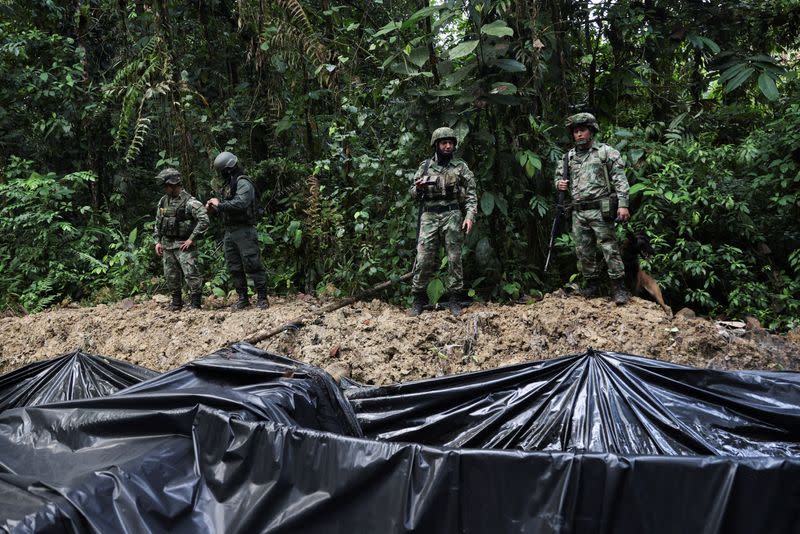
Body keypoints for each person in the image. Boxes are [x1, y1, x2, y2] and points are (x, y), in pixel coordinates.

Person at [555, 112, 631, 304]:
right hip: (578, 211)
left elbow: (620, 180)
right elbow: (559, 179)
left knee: (609, 247)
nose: (579, 134)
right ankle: (592, 286)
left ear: (591, 131)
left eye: (583, 130)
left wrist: (623, 205)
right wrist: (559, 184)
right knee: (583, 250)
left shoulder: (605, 152)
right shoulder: (568, 158)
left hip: (601, 208)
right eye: (576, 131)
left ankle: (619, 287)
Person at [408, 127, 477, 317]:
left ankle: (454, 298)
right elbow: (413, 194)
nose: (447, 146)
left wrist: (469, 217)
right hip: (429, 215)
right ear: (436, 145)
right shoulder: (424, 167)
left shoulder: (461, 167)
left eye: (450, 143)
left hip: (452, 214)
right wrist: (419, 187)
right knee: (423, 259)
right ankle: (418, 298)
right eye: (443, 143)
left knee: (454, 258)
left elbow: (471, 195)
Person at [206, 151, 269, 310]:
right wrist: (214, 208)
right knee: (234, 266)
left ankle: (262, 298)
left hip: (244, 230)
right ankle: (243, 298)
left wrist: (219, 205)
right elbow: (227, 209)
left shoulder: (243, 183)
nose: (220, 174)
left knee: (252, 263)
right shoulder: (228, 185)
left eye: (221, 171)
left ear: (228, 168)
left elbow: (241, 203)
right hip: (230, 231)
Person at [153, 168, 210, 310]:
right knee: (170, 276)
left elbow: (204, 220)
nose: (165, 189)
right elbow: (158, 222)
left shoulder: (190, 202)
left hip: (183, 244)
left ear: (173, 184)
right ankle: (176, 303)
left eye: (166, 186)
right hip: (167, 245)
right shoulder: (163, 201)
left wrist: (192, 238)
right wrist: (157, 241)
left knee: (191, 274)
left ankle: (196, 304)